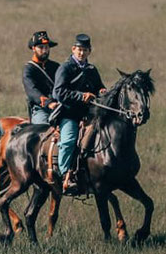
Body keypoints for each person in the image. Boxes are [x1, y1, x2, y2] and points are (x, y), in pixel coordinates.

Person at [52, 33, 106, 193]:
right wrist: (81, 96)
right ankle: (63, 176)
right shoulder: (65, 68)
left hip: (90, 114)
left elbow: (98, 87)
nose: (82, 53)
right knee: (68, 142)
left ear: (90, 52)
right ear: (73, 49)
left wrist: (102, 91)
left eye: (85, 50)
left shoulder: (92, 69)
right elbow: (58, 93)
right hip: (70, 113)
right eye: (79, 50)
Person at [22, 31, 60, 125]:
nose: (44, 50)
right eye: (41, 47)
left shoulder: (56, 66)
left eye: (47, 47)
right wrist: (48, 103)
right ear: (33, 48)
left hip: (59, 106)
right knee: (42, 130)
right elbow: (32, 90)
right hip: (40, 109)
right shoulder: (29, 69)